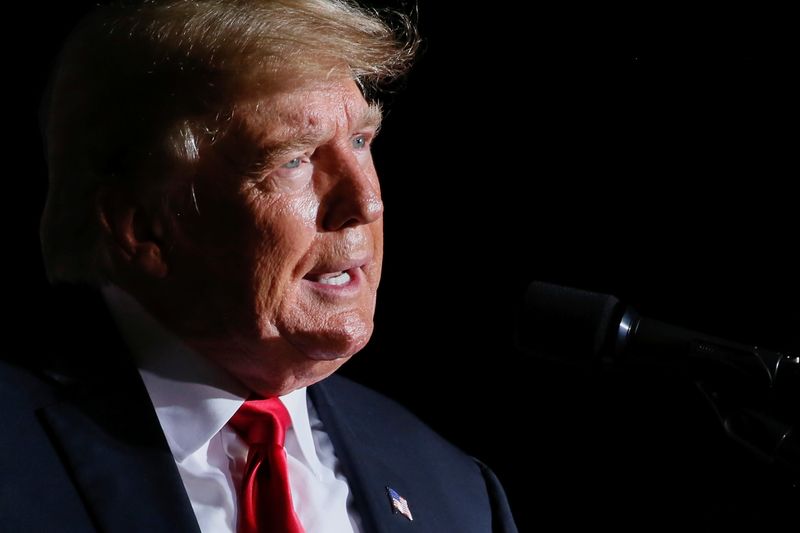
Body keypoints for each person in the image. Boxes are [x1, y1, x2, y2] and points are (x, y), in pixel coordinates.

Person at [0, 1, 517, 531]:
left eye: (361, 141)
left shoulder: (457, 493)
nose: (365, 204)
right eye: (294, 159)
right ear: (144, 227)